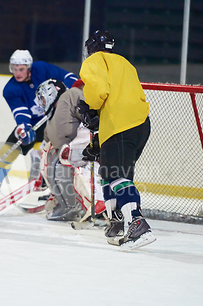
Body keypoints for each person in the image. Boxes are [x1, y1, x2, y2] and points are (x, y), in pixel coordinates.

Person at [78, 30, 155, 249]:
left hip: (120, 124)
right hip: (140, 124)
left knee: (117, 176)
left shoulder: (94, 61)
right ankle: (117, 223)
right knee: (110, 173)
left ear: (91, 48)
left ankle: (137, 224)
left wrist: (90, 109)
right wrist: (98, 142)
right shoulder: (125, 63)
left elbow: (100, 91)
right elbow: (118, 98)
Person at [0, 50, 79, 196]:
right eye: (14, 69)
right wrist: (23, 128)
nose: (17, 73)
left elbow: (67, 76)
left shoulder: (41, 69)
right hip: (33, 124)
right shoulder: (11, 89)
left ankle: (50, 187)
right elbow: (20, 112)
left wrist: (72, 87)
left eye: (21, 69)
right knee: (5, 152)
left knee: (42, 152)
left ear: (29, 68)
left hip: (53, 120)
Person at [38, 79, 105, 221]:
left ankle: (98, 204)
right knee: (54, 165)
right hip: (71, 154)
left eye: (43, 99)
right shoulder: (51, 119)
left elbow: (89, 116)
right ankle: (70, 204)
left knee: (74, 166)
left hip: (89, 149)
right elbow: (47, 143)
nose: (43, 104)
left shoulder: (70, 95)